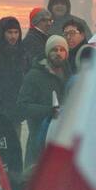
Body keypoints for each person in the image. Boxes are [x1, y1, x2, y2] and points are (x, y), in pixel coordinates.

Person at [19, 34, 70, 168]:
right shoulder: (34, 76)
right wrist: (49, 111)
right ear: (48, 52)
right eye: (54, 50)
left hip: (65, 143)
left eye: (62, 50)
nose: (58, 53)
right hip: (39, 142)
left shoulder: (70, 75)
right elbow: (22, 106)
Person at [0, 17, 29, 127]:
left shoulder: (23, 54)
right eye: (9, 32)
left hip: (16, 110)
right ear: (2, 33)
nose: (13, 36)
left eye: (16, 32)